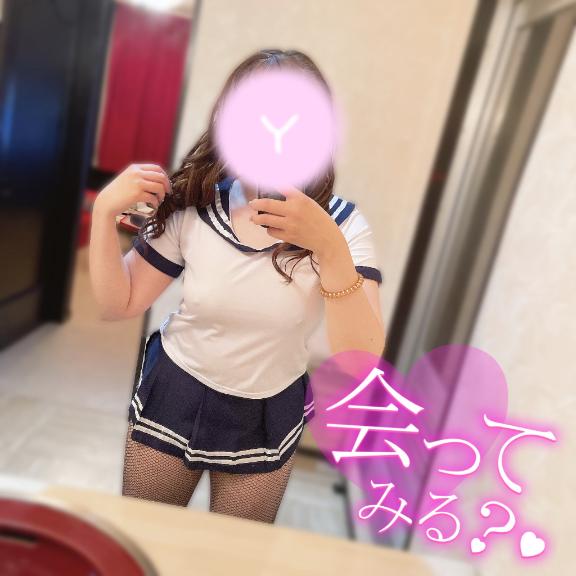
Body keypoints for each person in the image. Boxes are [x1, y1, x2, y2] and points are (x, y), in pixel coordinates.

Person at [89, 48, 386, 524]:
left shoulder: (344, 226)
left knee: (235, 553)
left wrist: (330, 249)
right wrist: (104, 213)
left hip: (269, 408)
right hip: (176, 388)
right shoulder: (196, 204)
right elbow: (117, 302)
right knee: (145, 535)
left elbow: (361, 359)